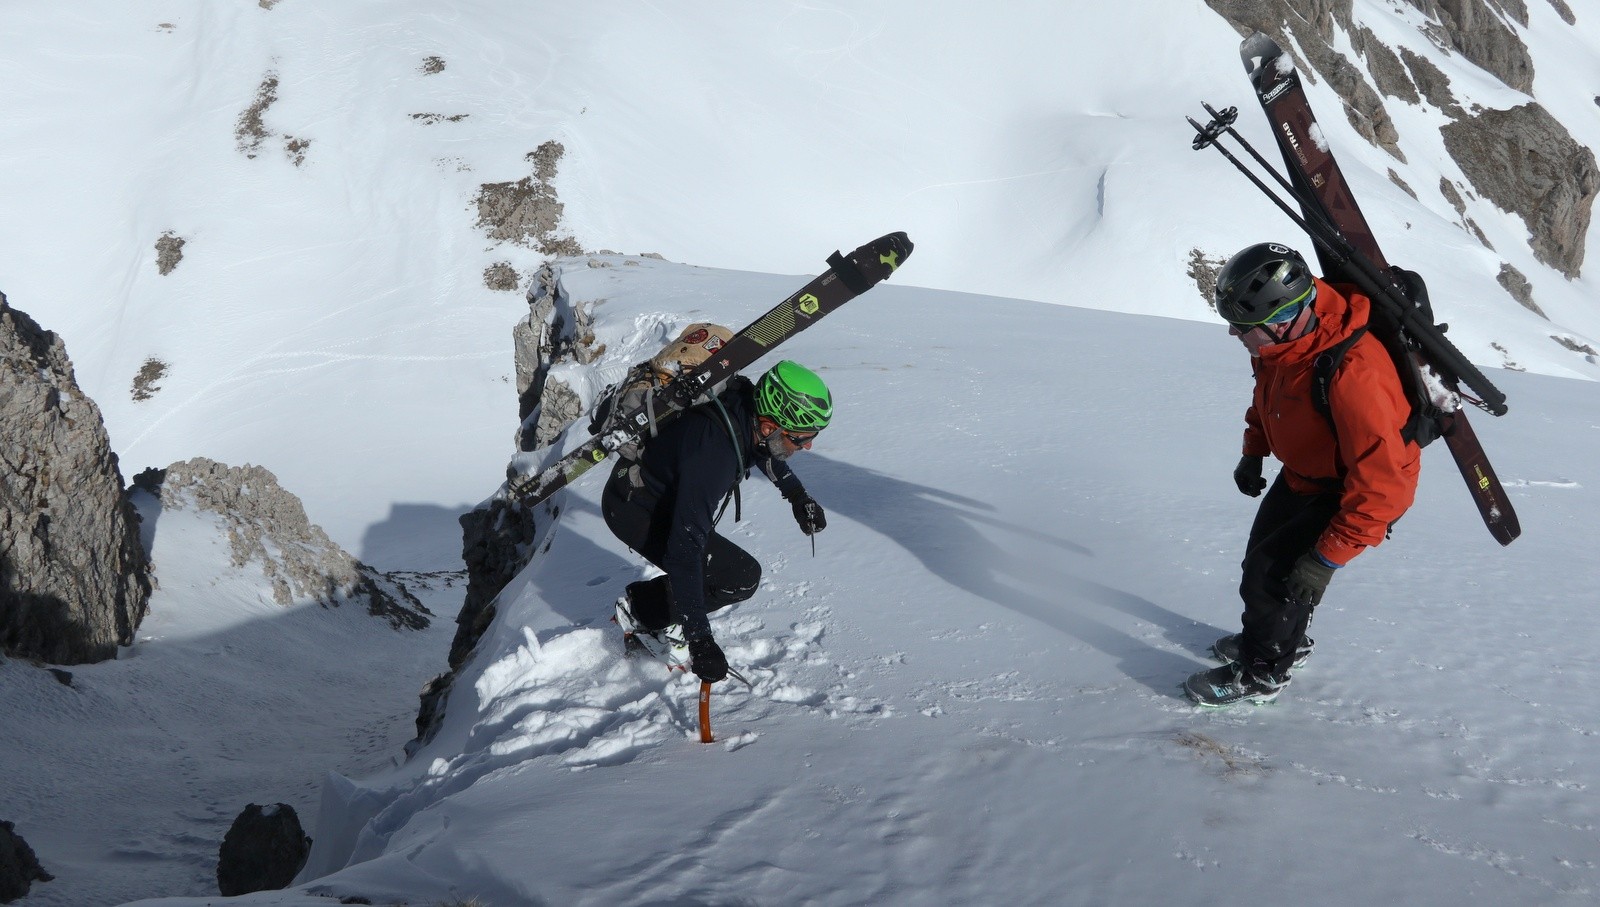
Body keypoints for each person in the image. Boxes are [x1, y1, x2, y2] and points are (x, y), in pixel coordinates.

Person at [1185, 242, 1421, 707]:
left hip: (1348, 493)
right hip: (1301, 475)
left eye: (1242, 326)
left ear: (1281, 320)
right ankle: (1280, 638)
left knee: (1274, 578)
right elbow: (1267, 399)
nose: (1234, 335)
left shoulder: (1354, 374)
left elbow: (1385, 485)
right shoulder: (1281, 347)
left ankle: (1264, 671)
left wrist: (1328, 558)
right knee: (1263, 565)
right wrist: (1254, 451)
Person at [602, 359, 832, 684]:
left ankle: (647, 606)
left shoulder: (743, 408)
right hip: (633, 509)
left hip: (649, 491)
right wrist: (701, 641)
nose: (808, 445)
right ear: (769, 426)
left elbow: (767, 453)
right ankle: (641, 613)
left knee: (731, 571)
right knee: (738, 576)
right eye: (801, 437)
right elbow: (684, 552)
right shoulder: (713, 455)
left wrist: (798, 496)